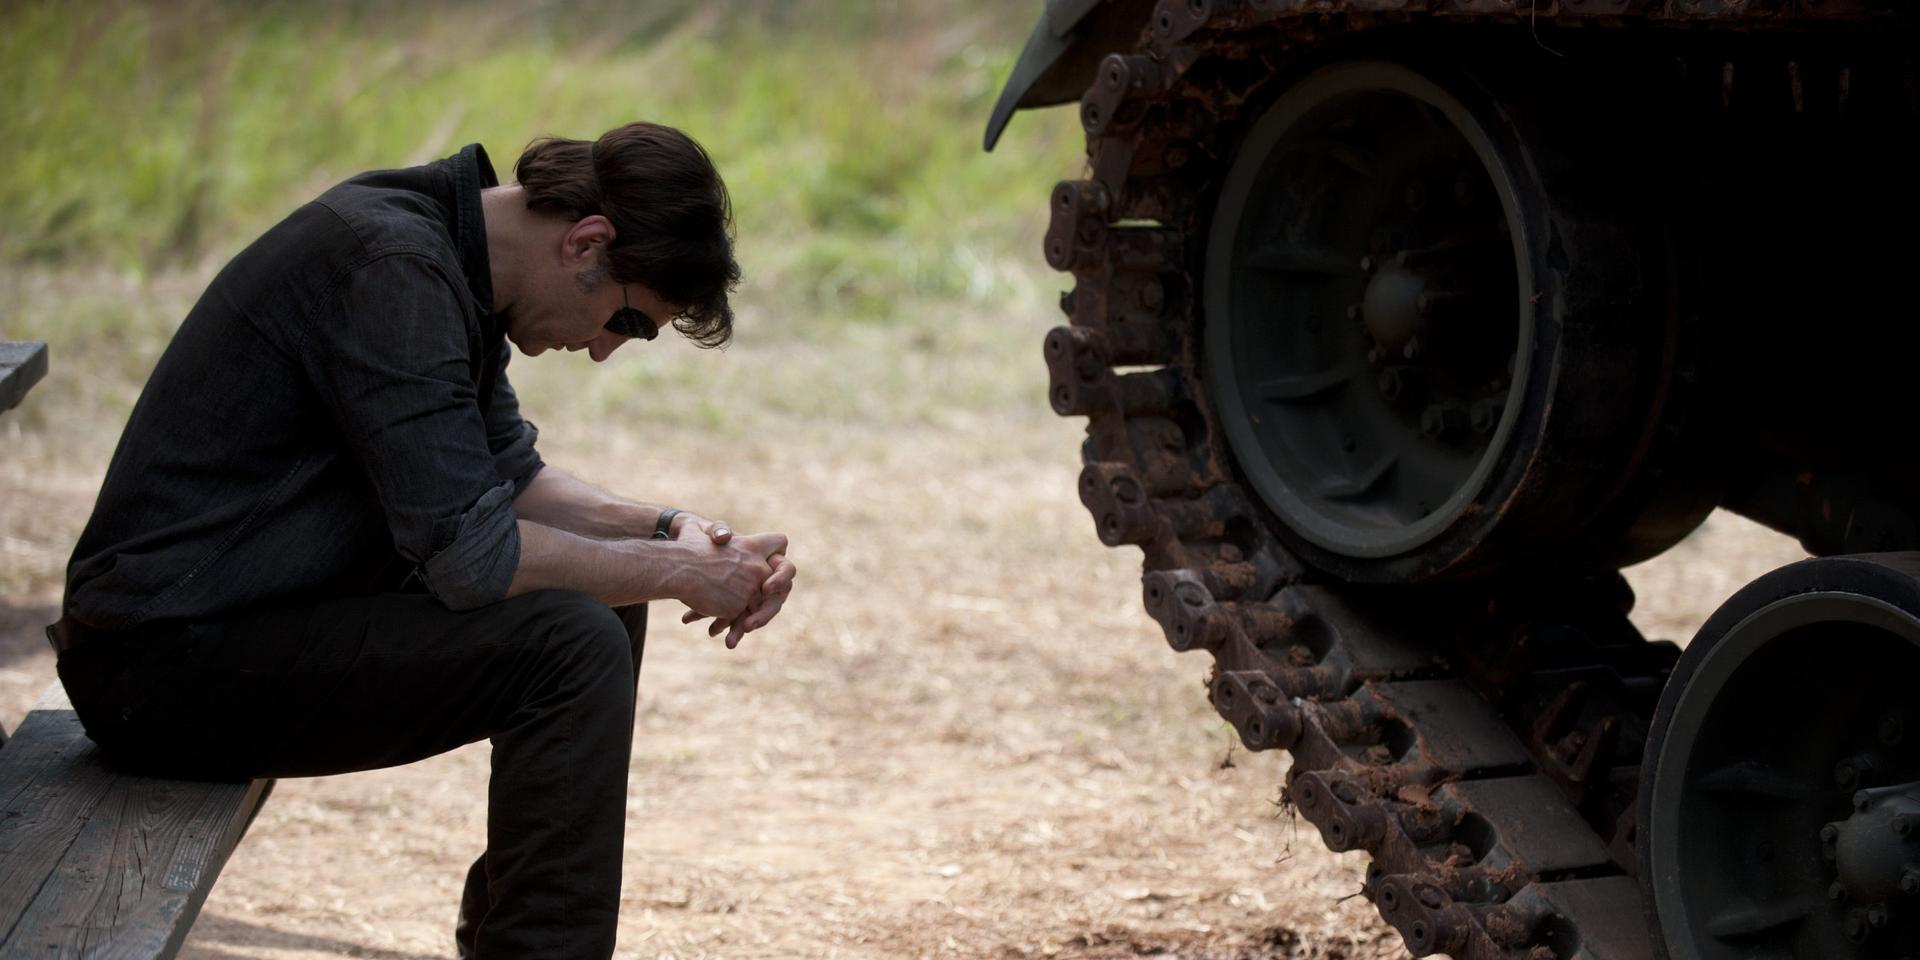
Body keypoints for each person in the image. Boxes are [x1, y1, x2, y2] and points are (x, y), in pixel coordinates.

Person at [48, 121, 796, 960]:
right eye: (626, 319)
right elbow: (473, 556)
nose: (601, 350)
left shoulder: (447, 255)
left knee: (605, 604)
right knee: (574, 642)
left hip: (241, 615)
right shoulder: (392, 268)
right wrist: (675, 573)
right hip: (157, 667)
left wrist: (674, 535)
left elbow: (511, 476)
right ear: (585, 241)